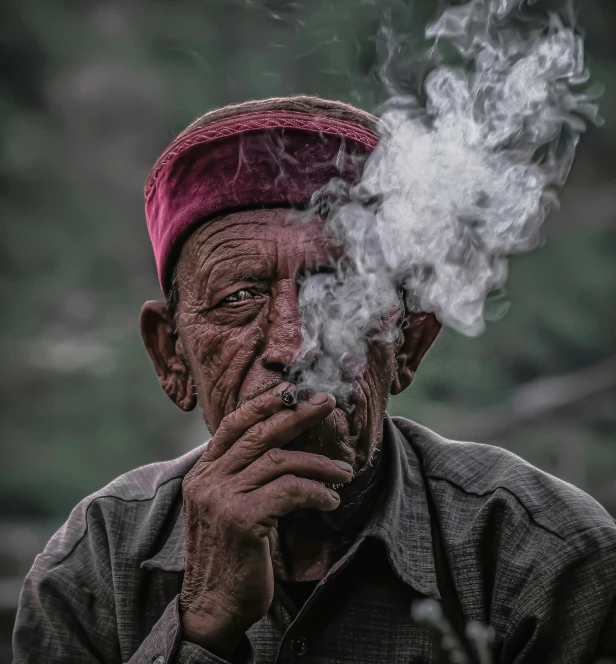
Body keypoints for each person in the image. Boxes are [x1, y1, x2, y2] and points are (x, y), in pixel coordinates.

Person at [13, 96, 616, 664]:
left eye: (342, 294)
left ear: (407, 343)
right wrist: (203, 623)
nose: (290, 344)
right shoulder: (91, 567)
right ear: (172, 356)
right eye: (239, 297)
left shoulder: (550, 557)